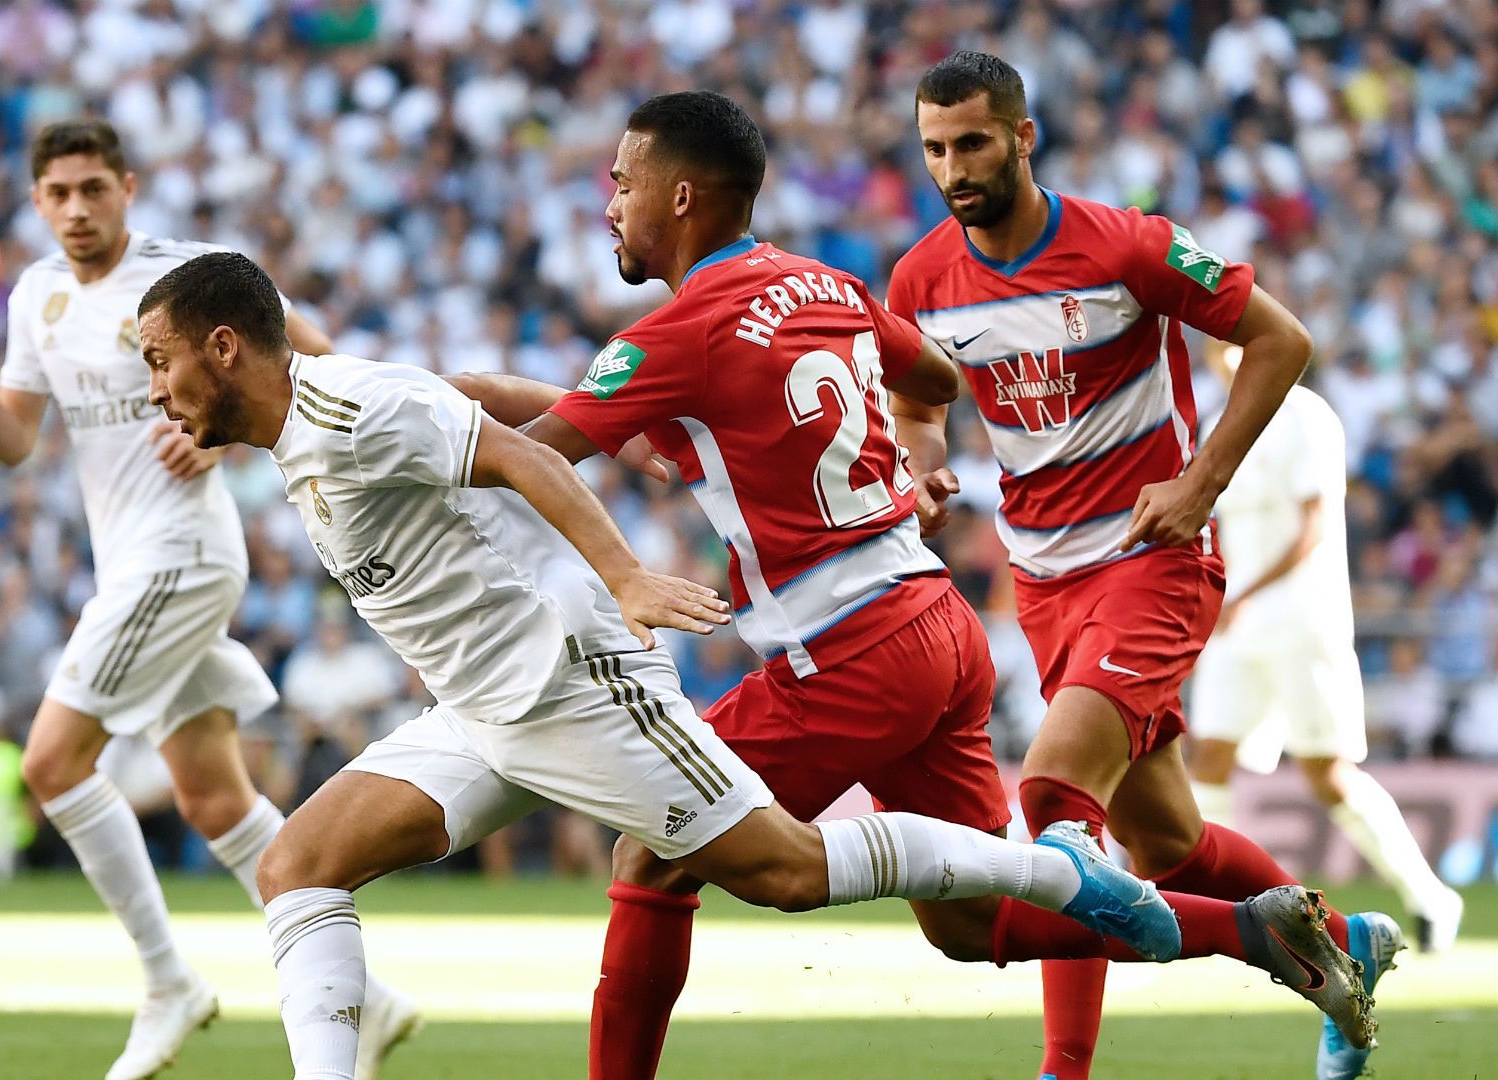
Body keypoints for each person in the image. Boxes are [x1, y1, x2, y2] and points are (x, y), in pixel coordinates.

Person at [131, 249, 1345, 1080]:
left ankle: (1057, 873)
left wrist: (620, 577)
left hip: (578, 681)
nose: (153, 387)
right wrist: (593, 414)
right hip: (484, 709)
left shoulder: (347, 414)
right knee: (300, 862)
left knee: (784, 873)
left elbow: (517, 458)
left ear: (224, 346)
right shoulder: (325, 411)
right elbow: (474, 399)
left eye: (158, 360)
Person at [445, 90, 1372, 1079]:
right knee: (974, 923)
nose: (608, 205)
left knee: (654, 850)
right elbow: (929, 377)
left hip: (859, 648)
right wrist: (916, 454)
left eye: (622, 184)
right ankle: (1262, 935)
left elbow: (531, 455)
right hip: (940, 623)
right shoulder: (823, 285)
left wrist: (400, 436)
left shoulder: (676, 340)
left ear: (679, 198)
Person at [885, 53, 1397, 1080]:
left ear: (1023, 138)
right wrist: (925, 467)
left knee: (1053, 805)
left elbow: (1280, 341)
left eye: (974, 142)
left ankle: (1064, 1069)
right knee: (1167, 846)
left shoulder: (1126, 244)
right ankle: (1344, 947)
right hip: (1042, 581)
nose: (954, 166)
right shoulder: (920, 278)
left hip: (1152, 560)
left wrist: (1202, 482)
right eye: (936, 147)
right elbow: (920, 404)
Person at [0, 118, 415, 1080]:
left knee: (51, 764)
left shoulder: (189, 274)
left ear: (128, 186)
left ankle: (167, 980)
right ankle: (367, 1000)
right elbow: (15, 442)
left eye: (94, 189)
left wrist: (221, 431)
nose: (78, 208)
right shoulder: (37, 297)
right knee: (210, 795)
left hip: (184, 556)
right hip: (125, 562)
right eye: (58, 193)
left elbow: (313, 355)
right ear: (37, 202)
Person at [1189, 343, 1463, 954]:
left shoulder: (1307, 414)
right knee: (1208, 756)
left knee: (1328, 774)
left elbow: (1313, 525)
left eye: (1234, 341)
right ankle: (1224, 914)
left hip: (1302, 619)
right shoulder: (1217, 419)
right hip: (1239, 619)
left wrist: (1246, 593)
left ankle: (1429, 896)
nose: (1221, 355)